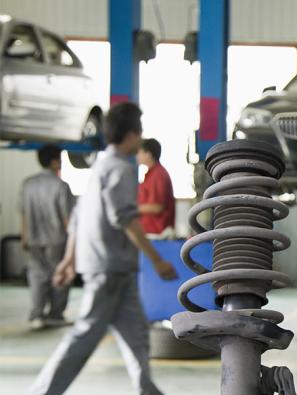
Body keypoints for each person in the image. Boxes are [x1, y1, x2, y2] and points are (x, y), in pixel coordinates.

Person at [30, 102, 178, 395]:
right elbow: (124, 219)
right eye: (139, 131)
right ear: (132, 134)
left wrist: (69, 260)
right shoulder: (121, 168)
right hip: (110, 268)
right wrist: (157, 260)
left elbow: (77, 218)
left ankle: (147, 389)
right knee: (84, 337)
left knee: (137, 336)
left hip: (116, 269)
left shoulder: (101, 166)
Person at [19, 144, 73, 330]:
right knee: (60, 275)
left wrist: (24, 236)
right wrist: (73, 243)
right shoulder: (61, 186)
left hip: (33, 238)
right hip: (56, 239)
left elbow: (24, 213)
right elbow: (68, 219)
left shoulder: (28, 183)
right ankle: (56, 314)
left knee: (36, 276)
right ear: (54, 161)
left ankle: (37, 314)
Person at [136, 138, 175, 237]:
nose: (137, 156)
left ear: (148, 154)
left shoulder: (158, 175)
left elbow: (157, 207)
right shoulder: (151, 174)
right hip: (150, 232)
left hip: (157, 234)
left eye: (139, 152)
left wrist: (132, 209)